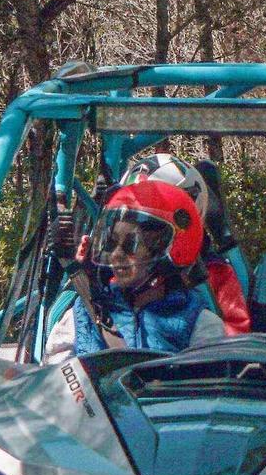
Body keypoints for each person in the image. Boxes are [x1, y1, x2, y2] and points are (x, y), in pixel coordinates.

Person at [41, 178, 232, 359]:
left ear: (168, 250)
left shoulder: (200, 326)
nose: (116, 254)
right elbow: (52, 384)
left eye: (130, 244)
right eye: (111, 242)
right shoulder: (83, 315)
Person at [119, 149, 251, 335]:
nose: (139, 230)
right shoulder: (120, 267)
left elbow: (235, 336)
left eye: (151, 224)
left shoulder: (216, 273)